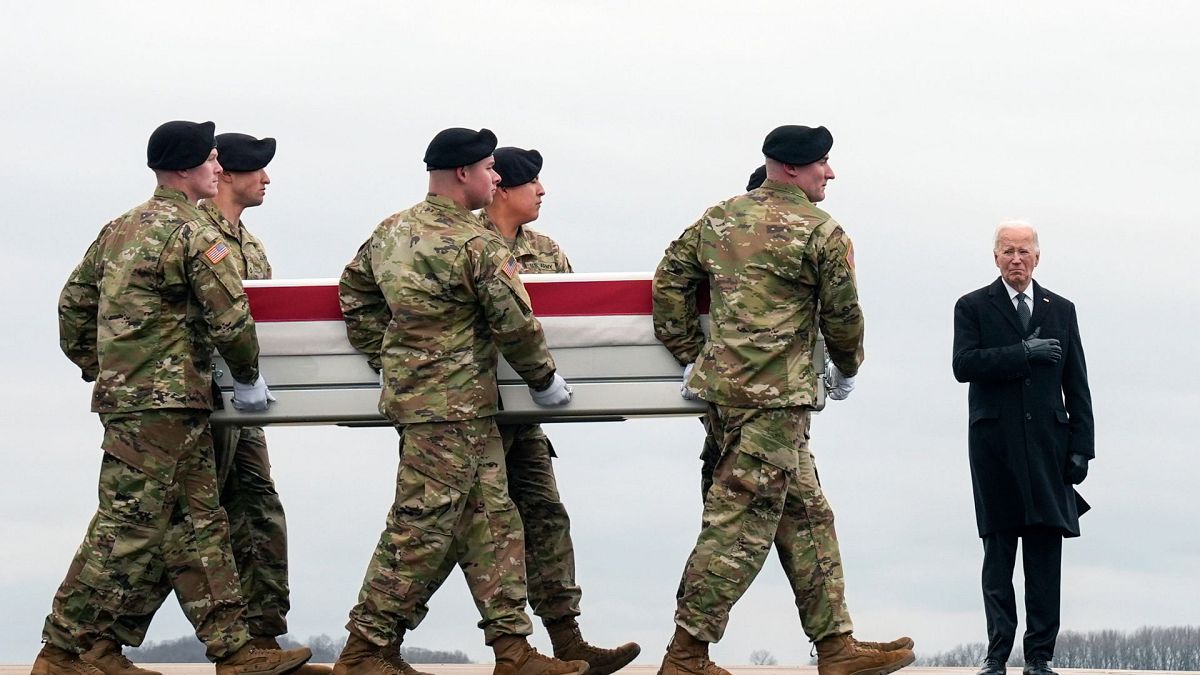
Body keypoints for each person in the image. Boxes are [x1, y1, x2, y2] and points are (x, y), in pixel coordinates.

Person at [38, 120, 311, 675]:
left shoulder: (119, 229)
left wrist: (101, 367)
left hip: (137, 402)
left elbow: (72, 306)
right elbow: (231, 318)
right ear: (187, 169)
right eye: (211, 160)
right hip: (171, 402)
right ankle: (65, 651)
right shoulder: (194, 232)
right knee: (127, 526)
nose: (219, 167)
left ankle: (233, 651)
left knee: (195, 524)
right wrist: (247, 375)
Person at [651, 125, 915, 675]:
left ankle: (836, 645)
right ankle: (686, 654)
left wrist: (691, 352)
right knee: (739, 523)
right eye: (823, 162)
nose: (831, 172)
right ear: (793, 168)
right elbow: (843, 314)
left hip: (726, 397)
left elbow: (669, 279)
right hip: (776, 403)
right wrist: (847, 367)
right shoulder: (821, 231)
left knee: (807, 516)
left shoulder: (719, 218)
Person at [335, 128, 584, 675]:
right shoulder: (476, 244)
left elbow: (353, 294)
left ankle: (512, 651)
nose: (496, 178)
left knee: (492, 520)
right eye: (490, 169)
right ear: (464, 174)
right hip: (454, 406)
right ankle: (363, 650)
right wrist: (543, 378)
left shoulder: (391, 232)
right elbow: (515, 323)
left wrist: (393, 356)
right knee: (420, 524)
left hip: (430, 402)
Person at [108, 132, 329, 674]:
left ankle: (259, 639)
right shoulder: (191, 232)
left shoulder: (244, 244)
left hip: (228, 408)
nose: (267, 178)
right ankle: (100, 639)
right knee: (180, 522)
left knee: (253, 514)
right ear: (217, 172)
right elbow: (227, 320)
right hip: (187, 400)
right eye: (256, 167)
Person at [476, 146, 640, 674]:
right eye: (533, 182)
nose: (542, 191)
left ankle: (567, 641)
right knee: (463, 529)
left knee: (546, 518)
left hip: (524, 419)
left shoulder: (546, 252)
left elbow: (573, 328)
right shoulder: (464, 241)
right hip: (467, 417)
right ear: (502, 187)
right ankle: (379, 642)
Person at [952, 221, 1094, 675]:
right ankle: (997, 656)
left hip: (1050, 449)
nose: (1017, 259)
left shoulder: (1062, 309)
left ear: (1038, 257)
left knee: (1044, 555)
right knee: (998, 553)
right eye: (1008, 251)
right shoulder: (973, 306)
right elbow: (963, 364)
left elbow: (1078, 384)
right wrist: (1022, 352)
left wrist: (1082, 448)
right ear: (995, 257)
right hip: (994, 448)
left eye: (1024, 251)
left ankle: (1039, 657)